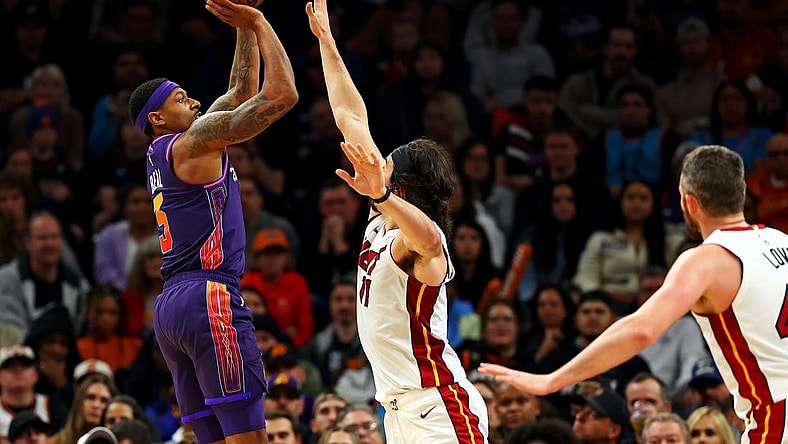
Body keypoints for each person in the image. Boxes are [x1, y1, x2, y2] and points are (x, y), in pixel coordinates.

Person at [479, 144, 788, 442]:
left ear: (689, 203)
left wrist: (553, 379)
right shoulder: (780, 240)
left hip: (776, 414)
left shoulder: (706, 259)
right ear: (741, 194)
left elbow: (641, 330)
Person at [306, 1, 489, 443]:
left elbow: (429, 241)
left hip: (440, 406)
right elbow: (351, 119)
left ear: (402, 187)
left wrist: (381, 195)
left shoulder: (421, 241)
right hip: (397, 409)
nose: (377, 168)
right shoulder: (381, 212)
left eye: (386, 167)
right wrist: (328, 44)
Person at [127, 0, 297, 442]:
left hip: (170, 310)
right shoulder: (191, 143)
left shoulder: (168, 151)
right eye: (183, 99)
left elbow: (241, 91)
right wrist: (261, 22)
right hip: (208, 296)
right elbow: (281, 96)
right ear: (159, 118)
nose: (196, 101)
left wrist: (244, 22)